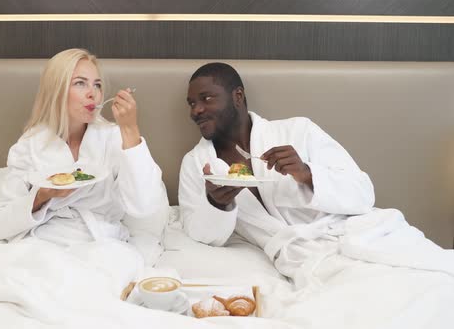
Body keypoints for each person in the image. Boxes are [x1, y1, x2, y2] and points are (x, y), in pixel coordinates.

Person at [178, 62, 453, 284]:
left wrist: (308, 174)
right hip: (305, 261)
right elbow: (199, 234)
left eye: (206, 98)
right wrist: (218, 204)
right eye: (191, 103)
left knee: (432, 287)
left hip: (361, 237)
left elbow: (362, 193)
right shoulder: (196, 164)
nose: (196, 110)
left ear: (237, 96)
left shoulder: (298, 131)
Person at [0, 48, 165, 248]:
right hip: (45, 244)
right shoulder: (29, 144)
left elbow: (144, 204)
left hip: (102, 243)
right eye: (80, 83)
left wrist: (130, 129)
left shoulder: (114, 138)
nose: (93, 94)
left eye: (97, 85)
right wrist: (41, 196)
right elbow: (3, 224)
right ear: (56, 89)